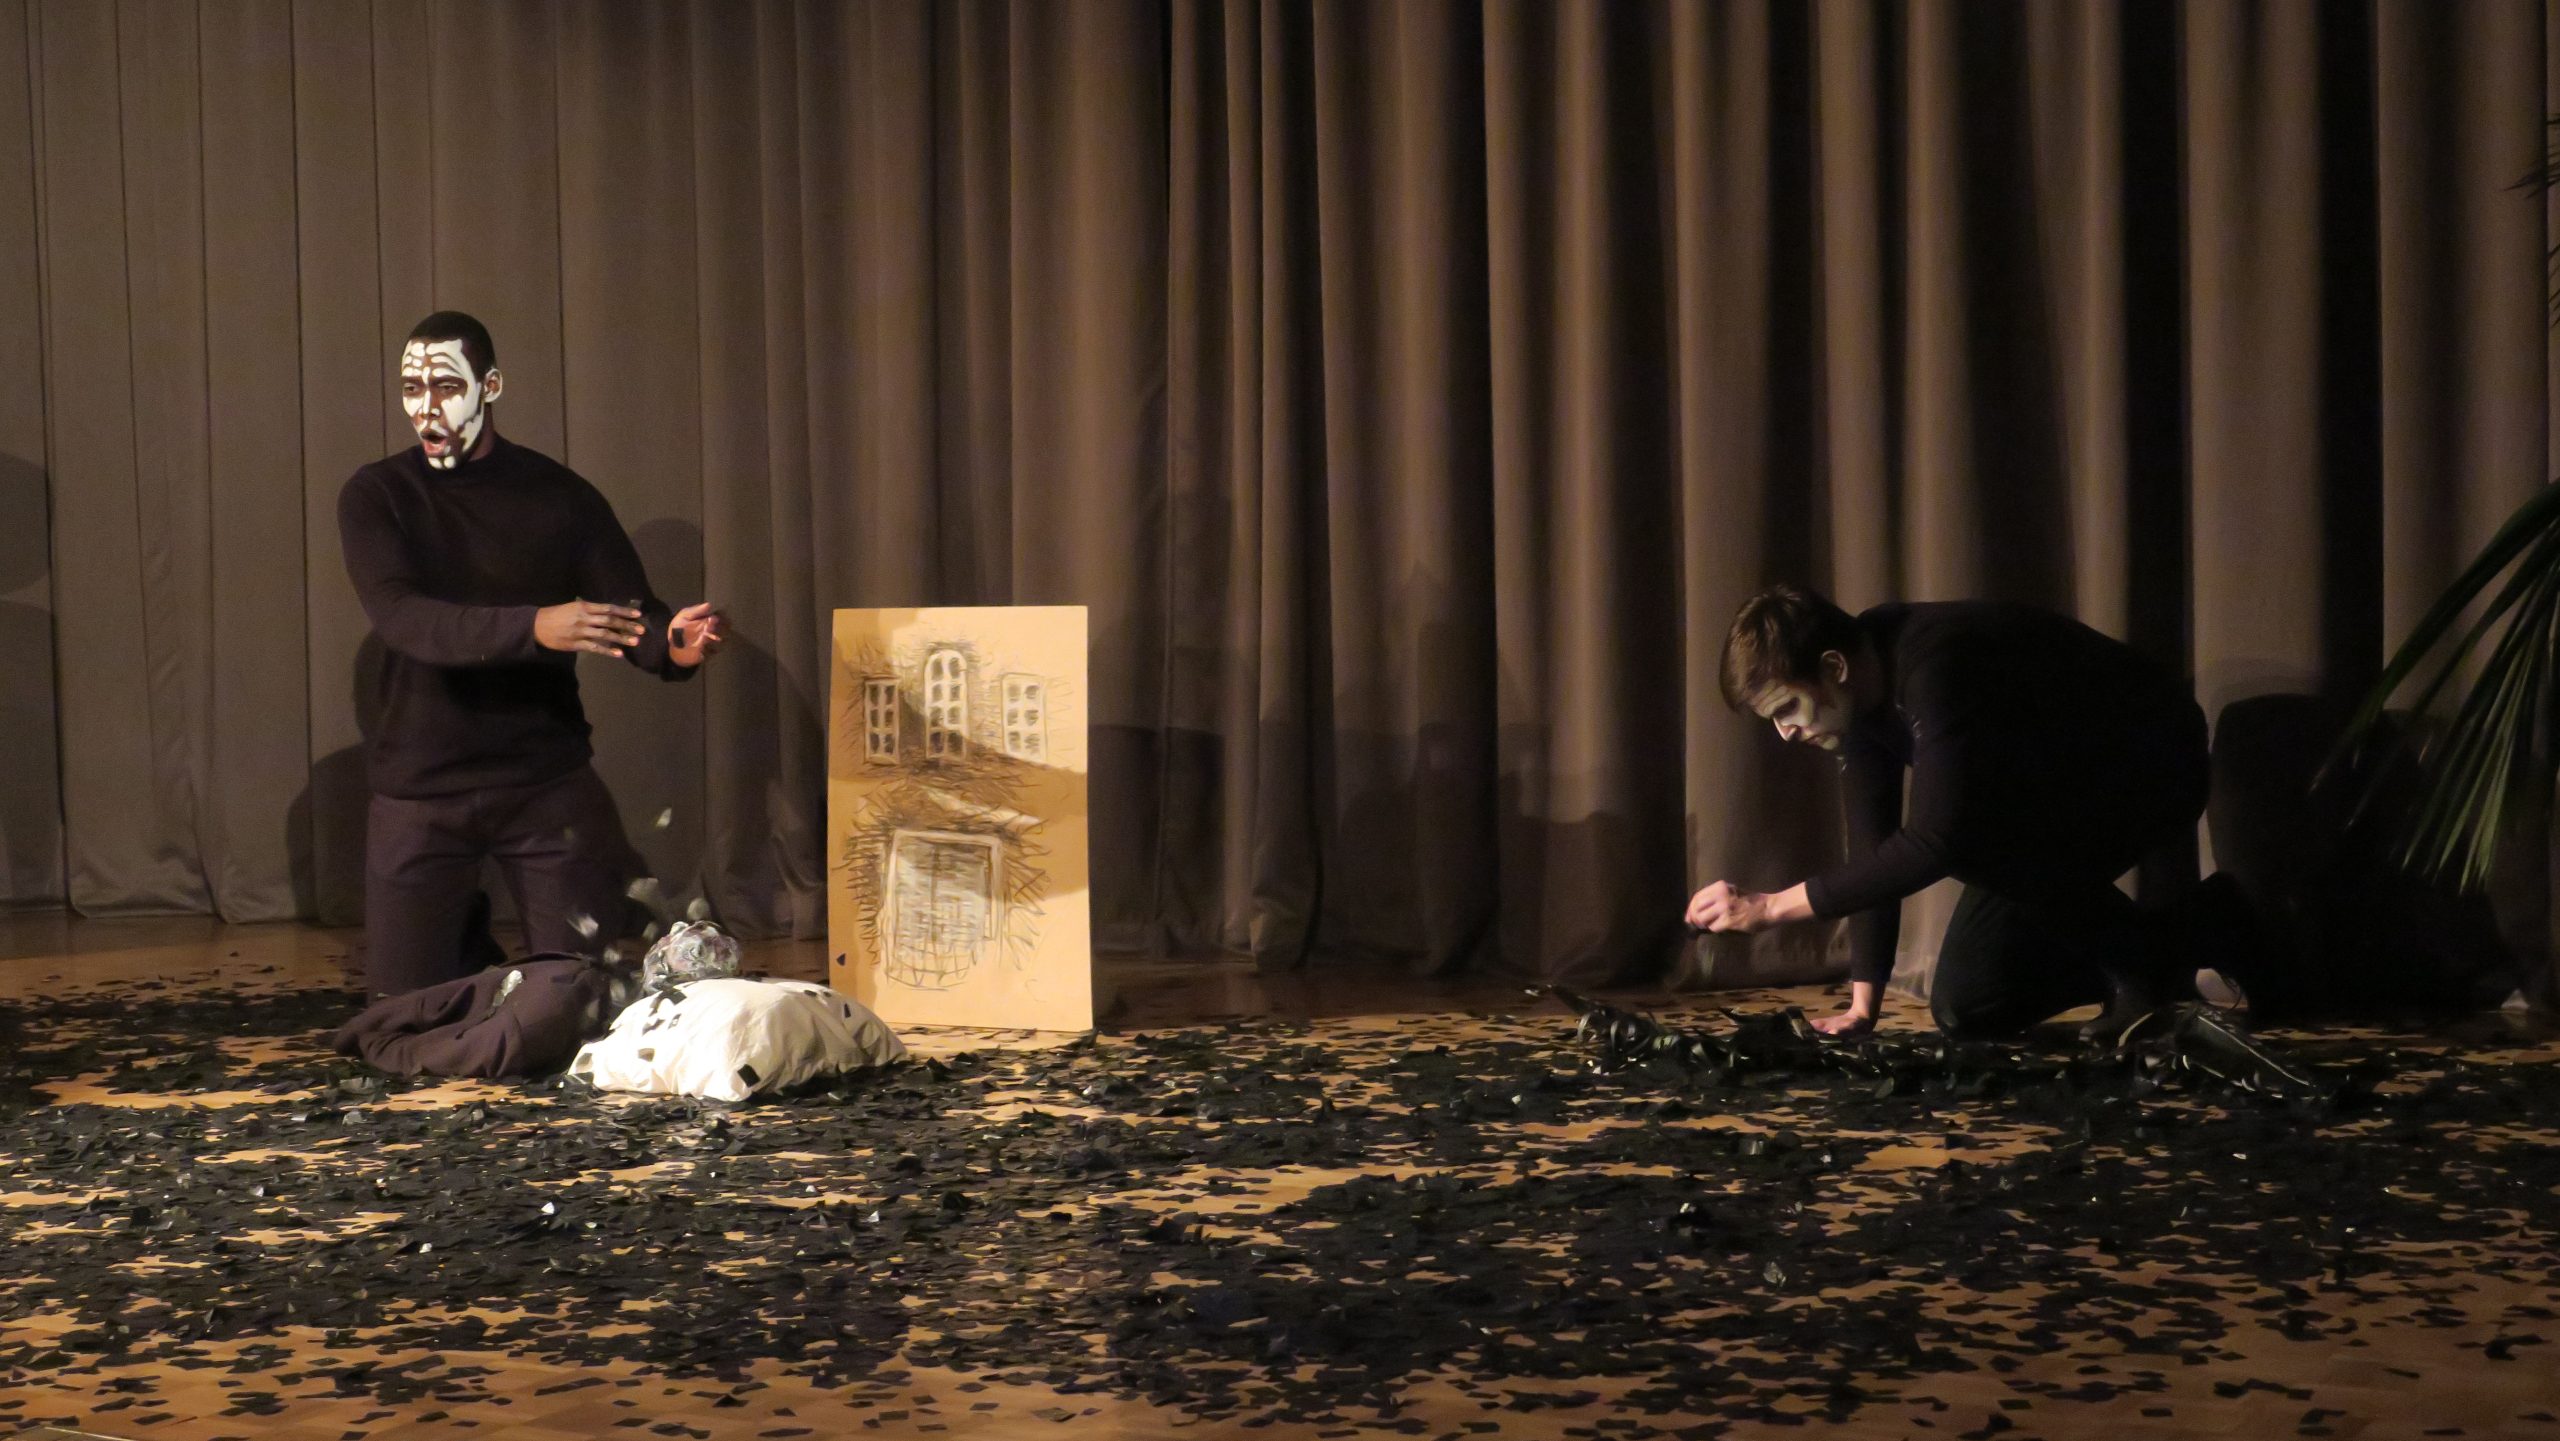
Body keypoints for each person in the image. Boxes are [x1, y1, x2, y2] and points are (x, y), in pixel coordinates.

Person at [338, 311, 726, 998]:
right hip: (423, 785)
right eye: (411, 388)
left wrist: (671, 645)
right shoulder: (378, 495)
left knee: (583, 997)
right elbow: (407, 620)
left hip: (542, 780)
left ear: (489, 386)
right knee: (404, 1015)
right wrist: (538, 626)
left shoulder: (559, 497)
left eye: (445, 386)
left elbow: (629, 614)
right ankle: (475, 978)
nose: (426, 407)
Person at [1685, 585, 2217, 1039]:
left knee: (1963, 835)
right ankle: (2184, 940)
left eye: (1787, 709)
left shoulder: (1935, 662)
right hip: (2052, 796)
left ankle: (2168, 954)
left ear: (1833, 667)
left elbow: (1937, 839)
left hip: (2155, 765)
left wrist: (1770, 908)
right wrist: (1862, 1008)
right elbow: (1873, 849)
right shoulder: (1859, 699)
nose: (1785, 733)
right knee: (1970, 1007)